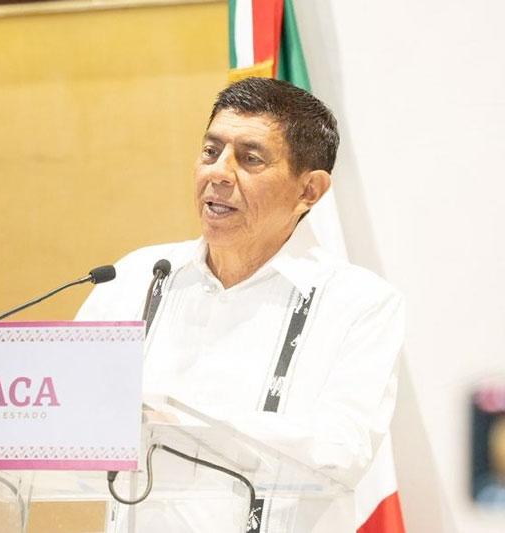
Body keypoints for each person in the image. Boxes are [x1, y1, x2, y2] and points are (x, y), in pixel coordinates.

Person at [76, 77, 405, 532]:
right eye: (210, 152)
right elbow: (69, 417)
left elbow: (340, 450)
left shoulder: (359, 303)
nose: (218, 173)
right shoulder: (134, 277)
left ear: (309, 190)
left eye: (250, 159)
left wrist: (180, 423)